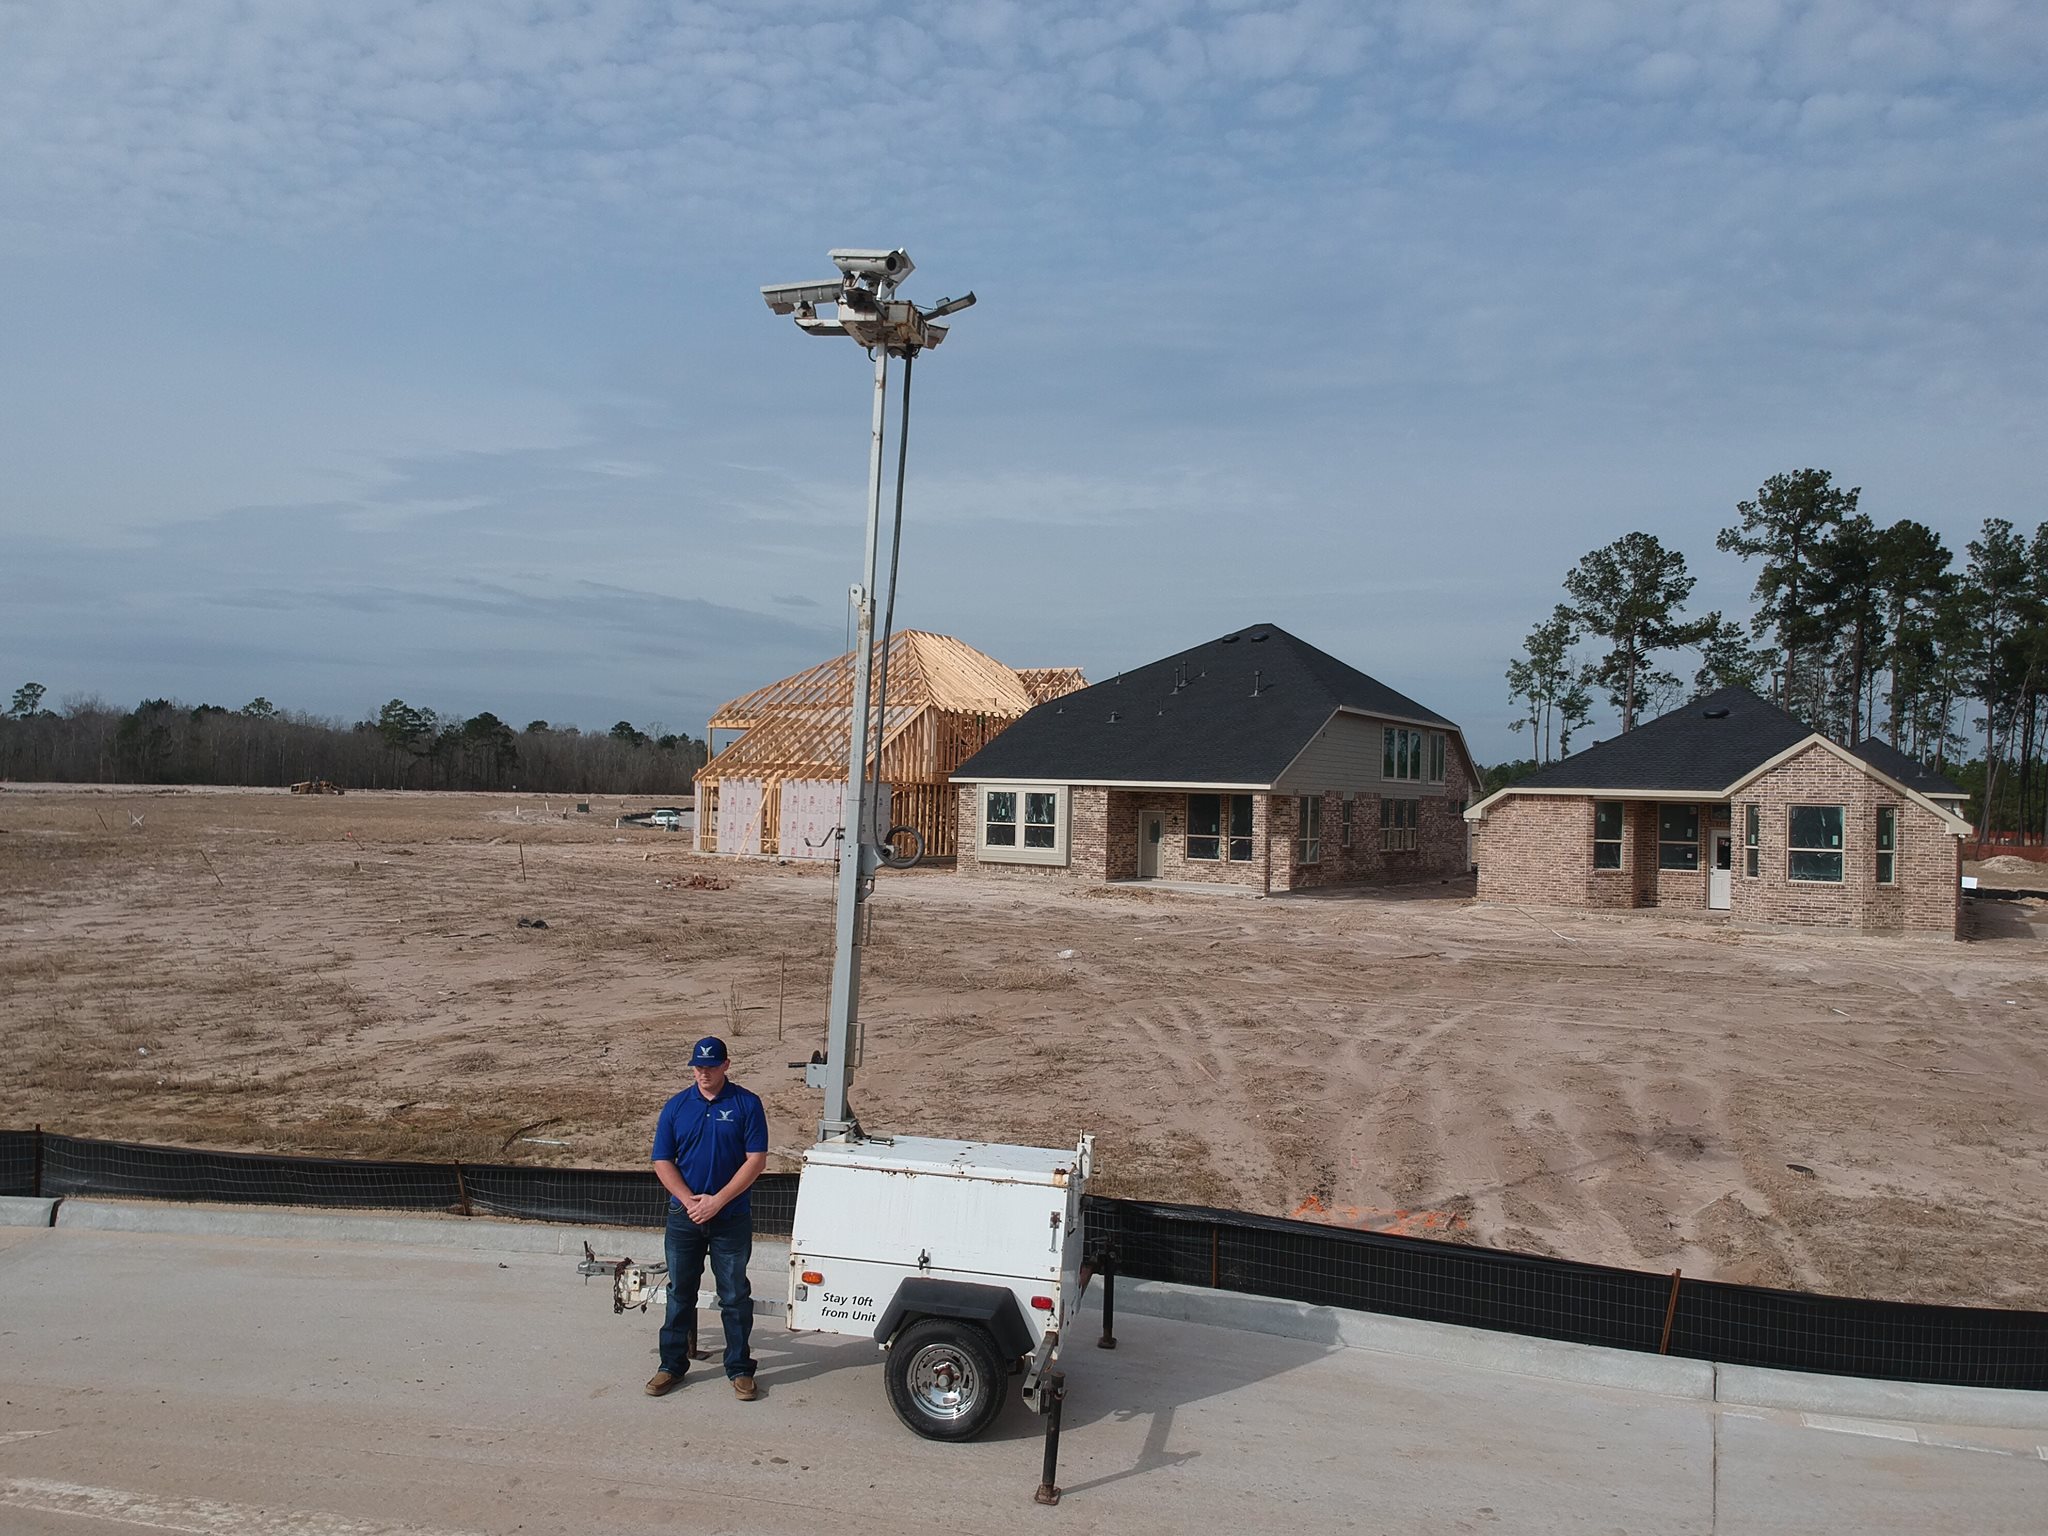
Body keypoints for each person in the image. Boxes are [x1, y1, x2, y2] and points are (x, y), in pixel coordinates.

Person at [646, 1035, 769, 1400]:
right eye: (698, 1067)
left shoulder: (746, 1104)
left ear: (726, 1065)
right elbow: (662, 1161)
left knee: (733, 1294)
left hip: (730, 1216)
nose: (703, 1073)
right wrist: (689, 1201)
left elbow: (756, 1160)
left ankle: (739, 1368)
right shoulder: (676, 1107)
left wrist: (717, 1201)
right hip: (684, 1217)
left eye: (710, 1067)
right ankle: (671, 1365)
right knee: (680, 1292)